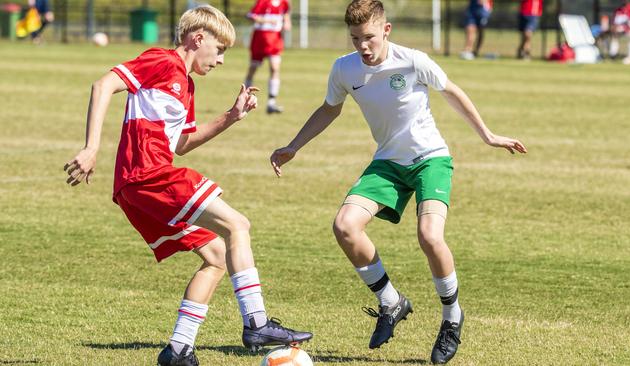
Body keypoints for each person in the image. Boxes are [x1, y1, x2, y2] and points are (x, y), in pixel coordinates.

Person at [270, 0, 527, 363]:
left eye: (370, 37)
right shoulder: (344, 69)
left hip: (430, 160)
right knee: (345, 226)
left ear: (386, 30)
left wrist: (487, 135)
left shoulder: (412, 60)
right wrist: (294, 145)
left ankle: (452, 317)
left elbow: (451, 90)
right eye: (356, 38)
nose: (363, 46)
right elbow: (330, 107)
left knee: (430, 236)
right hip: (388, 162)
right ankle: (391, 300)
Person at [63, 5, 311, 366]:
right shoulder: (162, 61)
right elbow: (104, 85)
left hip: (139, 185)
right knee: (238, 225)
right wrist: (91, 147)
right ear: (198, 39)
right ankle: (257, 322)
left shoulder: (187, 85)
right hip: (147, 175)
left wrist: (232, 116)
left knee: (215, 258)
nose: (222, 60)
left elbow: (182, 144)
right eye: (220, 50)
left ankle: (179, 350)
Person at [244, 0, 291, 114]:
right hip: (260, 39)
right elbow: (250, 15)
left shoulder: (284, 3)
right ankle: (243, 98)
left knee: (275, 68)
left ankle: (271, 103)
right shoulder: (263, 2)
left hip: (275, 39)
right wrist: (266, 20)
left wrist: (287, 22)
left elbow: (286, 14)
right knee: (253, 69)